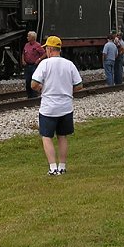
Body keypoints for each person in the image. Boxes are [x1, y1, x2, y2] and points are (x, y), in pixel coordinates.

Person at [30, 35, 83, 174]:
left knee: (47, 137)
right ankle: (63, 166)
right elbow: (79, 85)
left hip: (49, 107)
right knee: (62, 136)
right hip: (66, 106)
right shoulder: (69, 64)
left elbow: (34, 84)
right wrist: (67, 90)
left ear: (49, 49)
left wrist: (42, 89)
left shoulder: (45, 64)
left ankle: (53, 167)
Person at [20, 32, 46, 99]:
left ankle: (34, 95)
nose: (27, 37)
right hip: (27, 65)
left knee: (34, 80)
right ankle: (29, 95)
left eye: (28, 36)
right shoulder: (26, 45)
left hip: (34, 65)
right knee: (27, 80)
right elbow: (23, 53)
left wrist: (39, 59)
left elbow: (44, 53)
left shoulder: (37, 45)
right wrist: (23, 60)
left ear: (33, 38)